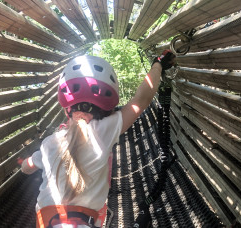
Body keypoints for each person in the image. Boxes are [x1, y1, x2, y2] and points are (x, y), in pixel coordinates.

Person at [20, 50, 176, 228]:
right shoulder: (103, 131)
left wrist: (25, 163)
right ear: (108, 110)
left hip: (48, 221)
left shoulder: (50, 143)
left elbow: (27, 167)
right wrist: (158, 65)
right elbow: (141, 100)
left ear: (65, 109)